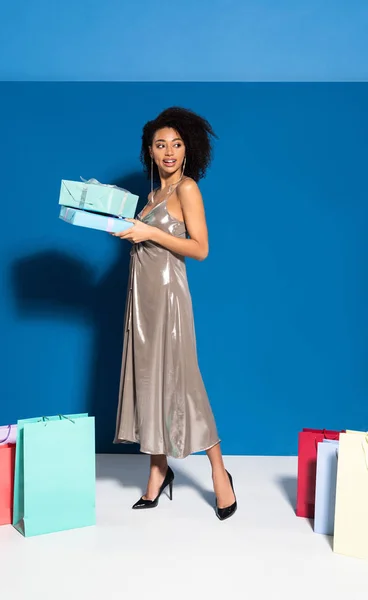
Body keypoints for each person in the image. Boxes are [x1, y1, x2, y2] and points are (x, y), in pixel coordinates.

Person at [113, 106, 237, 521]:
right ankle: (157, 469)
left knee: (182, 382)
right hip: (142, 300)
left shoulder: (186, 189)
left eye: (177, 144)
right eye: (161, 144)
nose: (169, 152)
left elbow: (200, 249)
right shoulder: (151, 196)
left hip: (169, 299)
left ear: (188, 150)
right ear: (149, 150)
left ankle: (220, 472)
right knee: (149, 382)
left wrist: (148, 231)